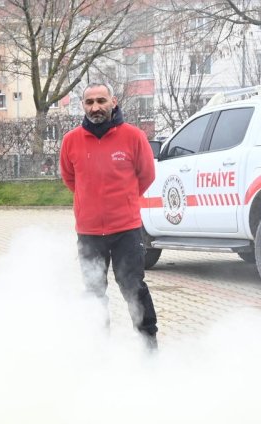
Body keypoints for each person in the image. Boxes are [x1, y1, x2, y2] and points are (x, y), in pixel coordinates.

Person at [60, 82, 158, 349]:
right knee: (93, 292)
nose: (96, 107)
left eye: (101, 101)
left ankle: (148, 346)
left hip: (125, 229)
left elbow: (146, 174)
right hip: (89, 232)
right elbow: (70, 178)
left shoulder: (134, 136)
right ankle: (97, 347)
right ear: (83, 106)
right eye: (90, 102)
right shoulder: (71, 141)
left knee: (133, 287)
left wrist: (123, 200)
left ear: (113, 102)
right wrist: (90, 201)